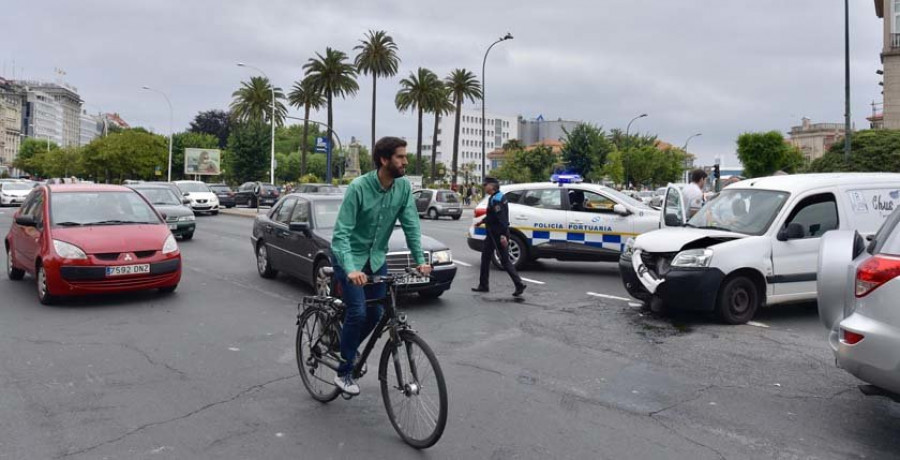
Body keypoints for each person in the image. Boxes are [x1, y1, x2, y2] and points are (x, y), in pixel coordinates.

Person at [330, 136, 432, 396]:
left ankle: (347, 347)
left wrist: (420, 261)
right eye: (400, 157)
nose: (405, 162)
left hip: (376, 259)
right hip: (349, 257)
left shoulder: (403, 188)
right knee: (359, 312)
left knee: (377, 315)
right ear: (384, 159)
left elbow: (411, 226)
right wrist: (352, 269)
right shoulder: (358, 188)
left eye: (405, 156)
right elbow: (341, 235)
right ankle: (344, 371)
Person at [473, 177, 526, 297]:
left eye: (485, 184)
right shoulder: (497, 197)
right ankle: (483, 285)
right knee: (486, 258)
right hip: (493, 234)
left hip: (497, 234)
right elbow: (493, 216)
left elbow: (502, 219)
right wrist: (481, 221)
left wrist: (503, 236)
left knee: (504, 260)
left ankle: (519, 284)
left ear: (492, 186)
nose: (484, 186)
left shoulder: (496, 199)